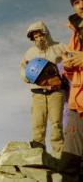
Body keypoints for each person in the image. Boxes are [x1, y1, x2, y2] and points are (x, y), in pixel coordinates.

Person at [20, 21, 66, 155]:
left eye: (40, 35)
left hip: (56, 92)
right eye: (35, 36)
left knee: (56, 124)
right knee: (37, 125)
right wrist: (29, 77)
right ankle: (37, 155)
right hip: (37, 93)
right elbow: (22, 69)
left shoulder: (60, 47)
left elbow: (71, 58)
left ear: (46, 33)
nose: (38, 38)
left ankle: (59, 154)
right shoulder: (29, 52)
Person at [59, 0, 83, 181]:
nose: (81, 5)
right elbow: (73, 72)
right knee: (68, 164)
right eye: (76, 2)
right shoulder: (75, 33)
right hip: (78, 104)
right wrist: (68, 67)